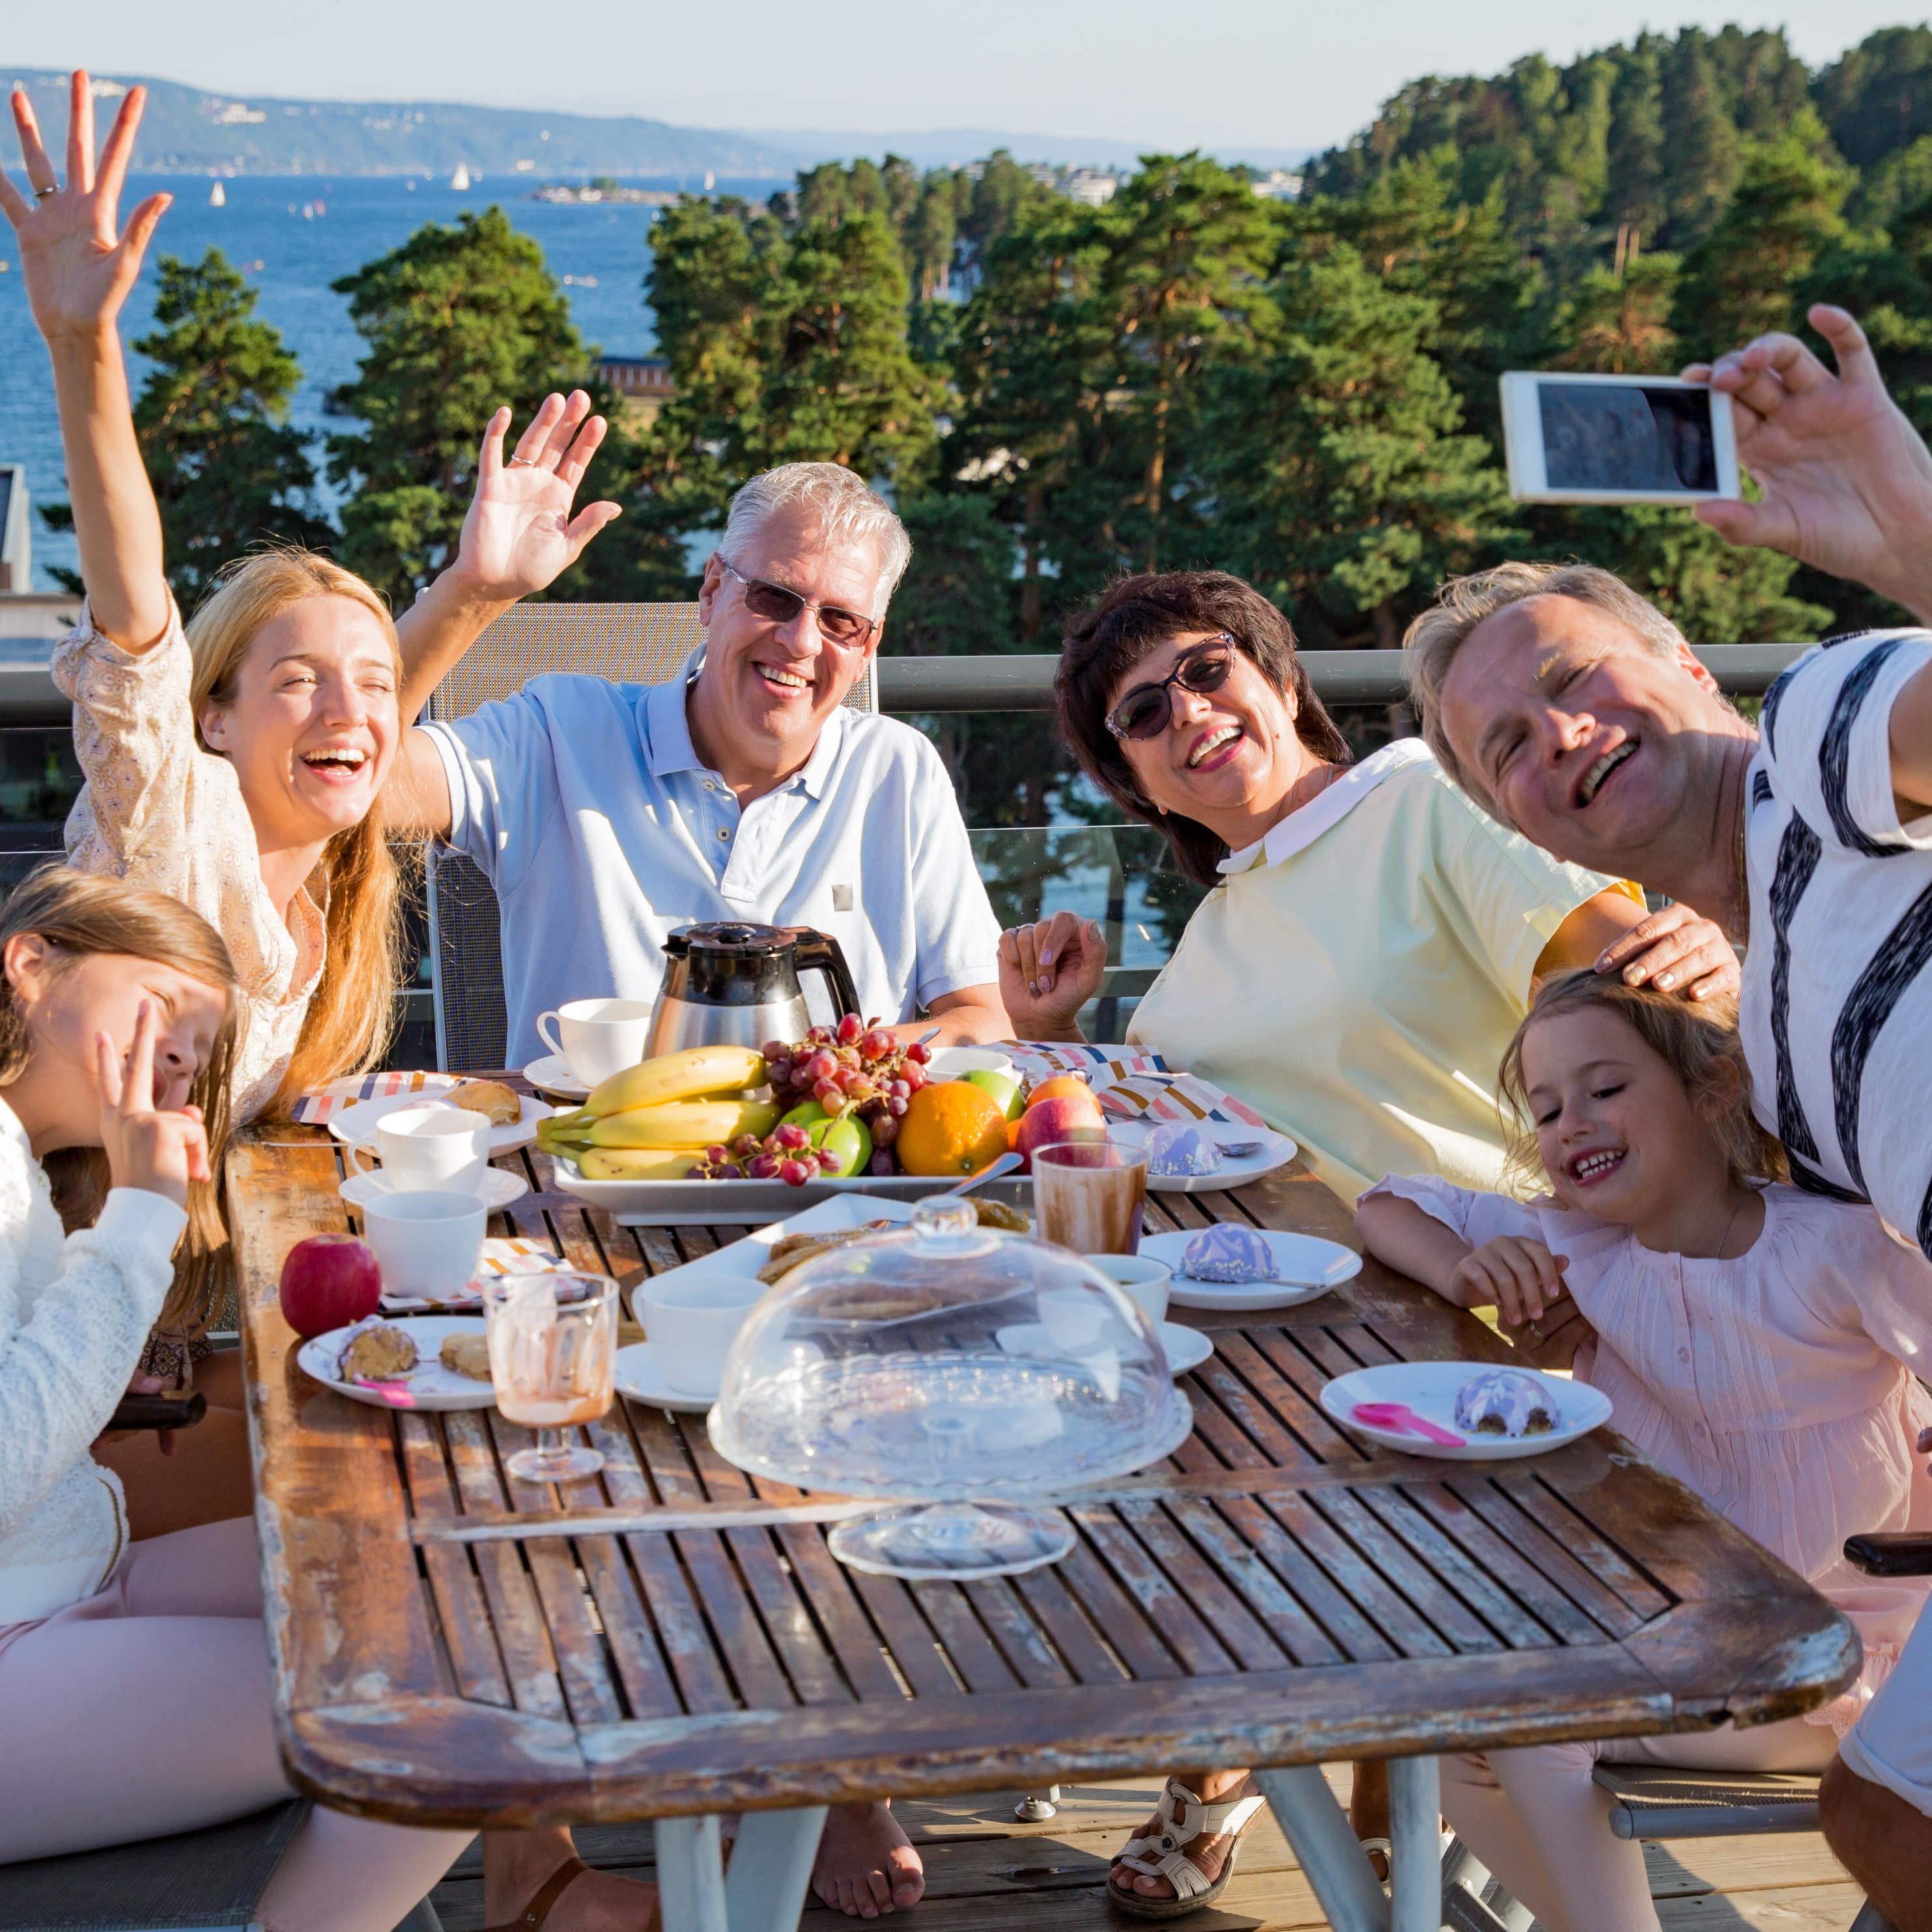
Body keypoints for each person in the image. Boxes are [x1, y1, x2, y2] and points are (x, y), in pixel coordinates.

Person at [5, 78, 666, 1932]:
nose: (341, 709)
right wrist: (84, 347)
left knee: (443, 1503)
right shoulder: (170, 827)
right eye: (281, 678)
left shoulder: (316, 870)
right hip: (115, 1368)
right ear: (212, 718)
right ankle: (495, 1857)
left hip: (151, 1373)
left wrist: (461, 594)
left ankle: (523, 1876)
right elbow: (141, 619)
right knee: (438, 1546)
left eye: (369, 683)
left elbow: (354, 740)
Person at [998, 569, 1737, 1914]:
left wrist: (1727, 946)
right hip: (1321, 1348)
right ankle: (1259, 1749)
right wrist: (1043, 1038)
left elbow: (1636, 977)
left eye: (1209, 671)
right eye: (1143, 716)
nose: (1188, 715)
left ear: (1281, 681)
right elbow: (1136, 1144)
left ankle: (1259, 1752)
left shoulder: (1416, 803)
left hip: (1515, 1315)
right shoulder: (1200, 952)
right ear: (1142, 785)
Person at [1402, 303, 1932, 1932]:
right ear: (1513, 821)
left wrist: (1910, 533)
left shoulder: (1815, 742)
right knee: (1882, 1823)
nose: (1555, 733)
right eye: (1506, 743)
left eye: (1574, 680)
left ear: (1688, 668)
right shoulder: (1755, 1044)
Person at [1356, 968, 1932, 1932]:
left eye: (1605, 1088)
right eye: (1545, 1107)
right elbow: (1383, 1202)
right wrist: (1465, 1268)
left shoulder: (1835, 1250)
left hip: (1840, 1652)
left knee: (1535, 1724)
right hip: (1673, 1632)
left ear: (1709, 1090)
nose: (1570, 1121)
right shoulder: (1584, 1246)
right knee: (1453, 1740)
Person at [0, 868, 476, 1925]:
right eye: (163, 1008)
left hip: (69, 1580)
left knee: (443, 1596)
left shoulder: (20, 1168)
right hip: (18, 1640)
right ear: (31, 966)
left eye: (202, 1051)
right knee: (452, 1716)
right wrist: (134, 1223)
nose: (179, 1058)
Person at [384, 460, 1012, 1079]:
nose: (801, 641)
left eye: (840, 620)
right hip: (587, 1166)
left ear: (867, 647)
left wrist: (816, 1070)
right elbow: (366, 783)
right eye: (774, 597)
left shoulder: (897, 771)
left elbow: (983, 1021)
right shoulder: (560, 735)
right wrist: (470, 593)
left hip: (828, 1172)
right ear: (712, 591)